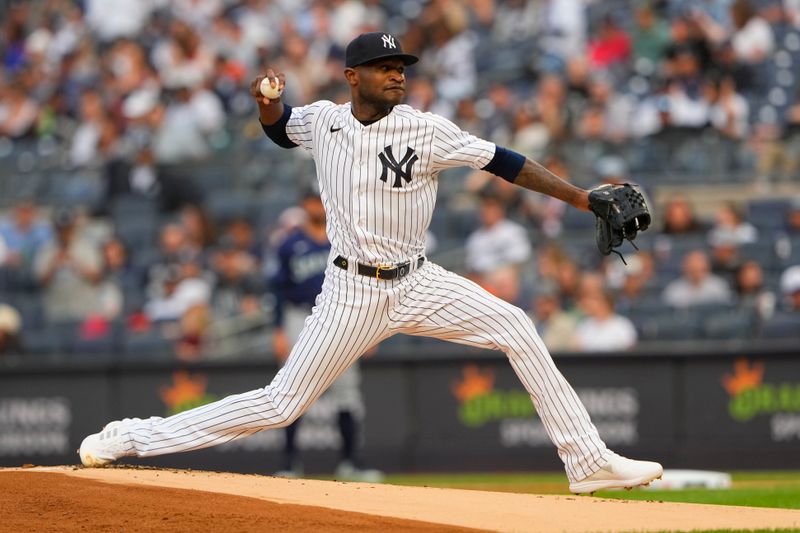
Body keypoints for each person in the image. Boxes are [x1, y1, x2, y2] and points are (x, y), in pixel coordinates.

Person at [79, 32, 662, 494]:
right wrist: (267, 100)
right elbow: (281, 129)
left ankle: (586, 461)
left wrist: (584, 198)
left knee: (516, 326)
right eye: (385, 67)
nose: (397, 74)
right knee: (282, 405)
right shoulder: (326, 120)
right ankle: (131, 437)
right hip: (349, 291)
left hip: (417, 279)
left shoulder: (426, 129)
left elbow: (505, 161)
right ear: (352, 77)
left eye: (401, 66)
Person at [269, 192, 383, 482]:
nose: (314, 206)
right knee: (290, 388)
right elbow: (278, 291)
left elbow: (366, 284)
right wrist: (279, 329)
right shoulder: (290, 245)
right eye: (309, 200)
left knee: (347, 392)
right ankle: (289, 463)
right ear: (303, 205)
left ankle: (350, 463)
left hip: (342, 318)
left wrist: (370, 327)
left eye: (318, 199)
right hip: (299, 316)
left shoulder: (346, 238)